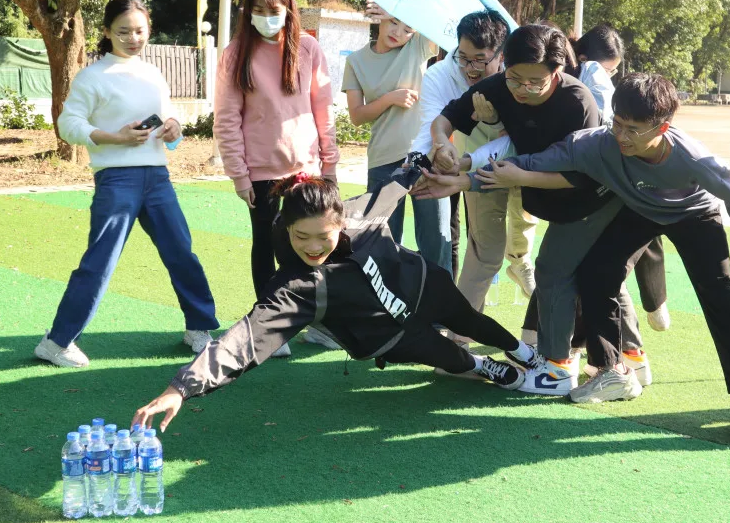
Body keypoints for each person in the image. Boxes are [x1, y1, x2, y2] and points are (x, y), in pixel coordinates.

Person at [431, 73, 730, 447]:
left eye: (634, 130)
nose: (622, 137)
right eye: (618, 124)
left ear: (663, 127)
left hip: (693, 213)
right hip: (640, 210)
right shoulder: (598, 144)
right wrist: (468, 178)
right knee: (597, 273)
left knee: (719, 297)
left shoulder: (692, 157)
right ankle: (614, 371)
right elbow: (531, 162)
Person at [130, 169, 536, 432]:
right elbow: (244, 340)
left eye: (322, 235)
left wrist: (426, 158)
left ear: (340, 222)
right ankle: (486, 366)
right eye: (299, 236)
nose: (312, 246)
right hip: (386, 335)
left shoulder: (361, 214)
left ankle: (523, 352)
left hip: (423, 286)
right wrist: (181, 387)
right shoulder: (295, 285)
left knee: (471, 321)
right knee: (452, 357)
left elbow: (397, 182)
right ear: (286, 229)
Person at [422, 24, 649, 395]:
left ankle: (556, 369)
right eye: (515, 79)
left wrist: (518, 176)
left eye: (535, 83)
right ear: (505, 65)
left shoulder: (578, 102)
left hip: (594, 197)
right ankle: (631, 358)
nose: (523, 90)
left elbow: (579, 175)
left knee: (553, 268)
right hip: (550, 192)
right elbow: (448, 117)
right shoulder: (500, 86)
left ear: (557, 72)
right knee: (600, 273)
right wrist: (440, 144)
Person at [34, 0, 219, 367]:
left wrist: (173, 130)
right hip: (116, 179)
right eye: (123, 32)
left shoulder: (153, 74)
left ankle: (199, 328)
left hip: (157, 177)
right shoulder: (92, 76)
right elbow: (67, 125)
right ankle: (57, 341)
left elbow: (172, 124)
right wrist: (115, 137)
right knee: (100, 261)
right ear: (106, 32)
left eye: (139, 30)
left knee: (181, 252)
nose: (133, 38)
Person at [214, 0, 339, 357]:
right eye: (257, 11)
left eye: (274, 11)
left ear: (288, 10)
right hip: (262, 172)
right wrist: (239, 174)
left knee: (312, 246)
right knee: (266, 245)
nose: (267, 18)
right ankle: (270, 328)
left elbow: (323, 107)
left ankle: (317, 324)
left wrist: (330, 162)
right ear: (246, 12)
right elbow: (227, 118)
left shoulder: (308, 48)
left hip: (307, 168)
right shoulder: (236, 54)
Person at [410, 10, 540, 317]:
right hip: (474, 164)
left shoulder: (522, 75)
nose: (470, 68)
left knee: (530, 236)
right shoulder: (440, 75)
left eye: (480, 60)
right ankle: (460, 336)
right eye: (463, 58)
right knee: (483, 253)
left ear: (501, 54)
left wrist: (493, 121)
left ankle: (520, 262)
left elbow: (513, 141)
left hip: (528, 164)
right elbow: (434, 125)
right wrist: (439, 150)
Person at [574, 24, 670, 332]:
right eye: (605, 70)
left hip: (621, 173)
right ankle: (623, 347)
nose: (606, 78)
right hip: (594, 175)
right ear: (584, 58)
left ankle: (652, 309)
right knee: (595, 268)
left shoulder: (592, 75)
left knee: (638, 234)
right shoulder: (585, 72)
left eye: (613, 73)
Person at [342, 4, 446, 270]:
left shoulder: (418, 47)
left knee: (436, 243)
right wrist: (390, 99)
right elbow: (357, 116)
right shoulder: (355, 61)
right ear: (381, 17)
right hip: (383, 159)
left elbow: (437, 15)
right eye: (393, 22)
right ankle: (385, 309)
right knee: (383, 244)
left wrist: (399, 1)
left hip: (426, 157)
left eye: (407, 29)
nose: (398, 32)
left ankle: (441, 308)